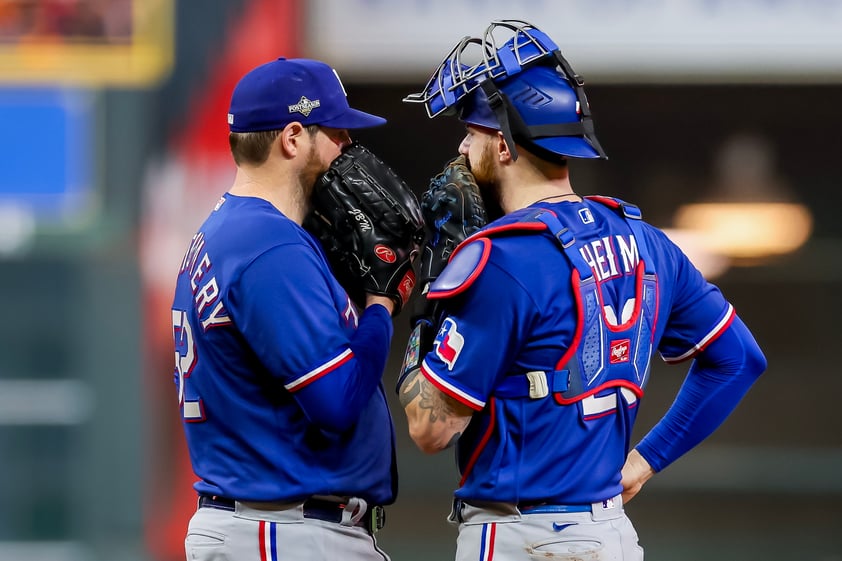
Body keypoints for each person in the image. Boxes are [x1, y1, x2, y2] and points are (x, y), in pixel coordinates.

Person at [398, 20, 767, 560]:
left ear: (503, 145)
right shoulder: (647, 241)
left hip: (523, 538)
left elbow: (430, 430)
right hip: (611, 534)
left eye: (472, 130)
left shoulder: (505, 258)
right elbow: (738, 359)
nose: (462, 144)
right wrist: (646, 460)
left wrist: (426, 305)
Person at [171, 57, 399, 561]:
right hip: (282, 530)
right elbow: (336, 402)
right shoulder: (268, 245)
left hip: (263, 521)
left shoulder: (233, 230)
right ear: (293, 138)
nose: (348, 148)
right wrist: (382, 305)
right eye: (336, 132)